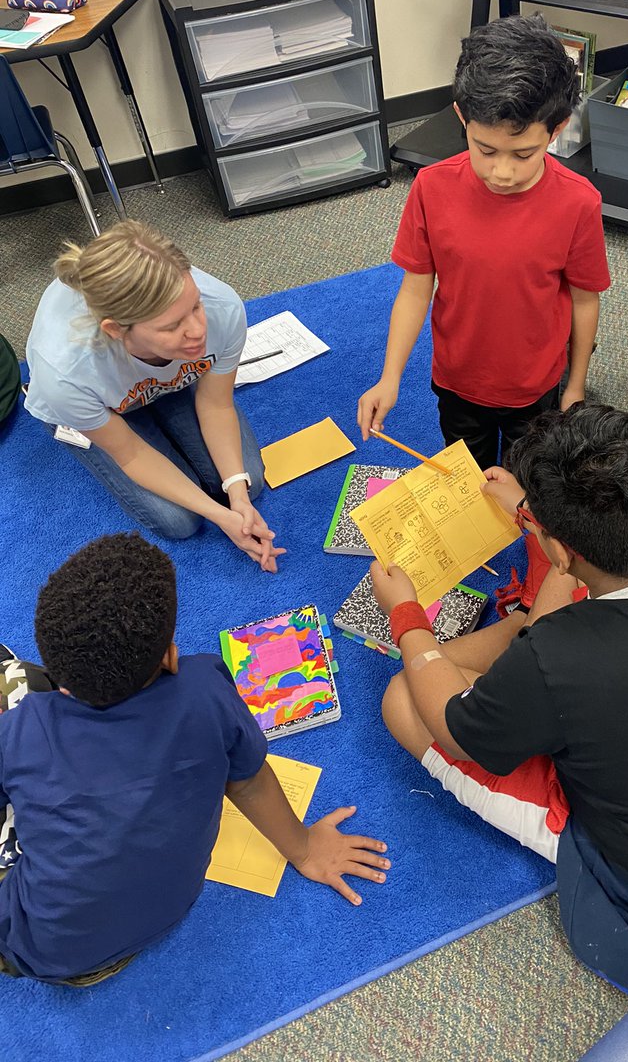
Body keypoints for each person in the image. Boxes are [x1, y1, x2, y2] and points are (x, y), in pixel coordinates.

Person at [372, 404, 628, 997]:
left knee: (402, 697)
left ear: (563, 551)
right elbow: (561, 598)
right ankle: (519, 621)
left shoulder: (561, 656)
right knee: (527, 632)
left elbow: (458, 731)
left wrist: (407, 617)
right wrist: (532, 514)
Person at [0, 533, 390, 985]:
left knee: (13, 675)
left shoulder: (22, 729)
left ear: (63, 681)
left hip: (45, 954)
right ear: (169, 656)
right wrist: (303, 850)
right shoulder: (206, 689)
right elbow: (248, 780)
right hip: (172, 906)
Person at [357, 14, 610, 472]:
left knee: (527, 479)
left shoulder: (578, 203)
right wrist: (389, 377)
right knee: (468, 478)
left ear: (556, 129)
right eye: (485, 149)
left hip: (536, 386)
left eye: (524, 153)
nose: (503, 172)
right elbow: (415, 290)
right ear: (462, 118)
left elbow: (584, 299)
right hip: (456, 380)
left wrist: (575, 388)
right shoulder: (431, 189)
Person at [24, 220, 283, 572]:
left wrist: (236, 492)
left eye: (195, 307)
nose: (197, 330)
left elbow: (216, 403)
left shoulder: (221, 308)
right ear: (116, 330)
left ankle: (161, 372)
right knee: (180, 521)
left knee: (248, 482)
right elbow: (129, 454)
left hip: (164, 375)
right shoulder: (66, 375)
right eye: (172, 326)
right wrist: (221, 516)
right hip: (102, 405)